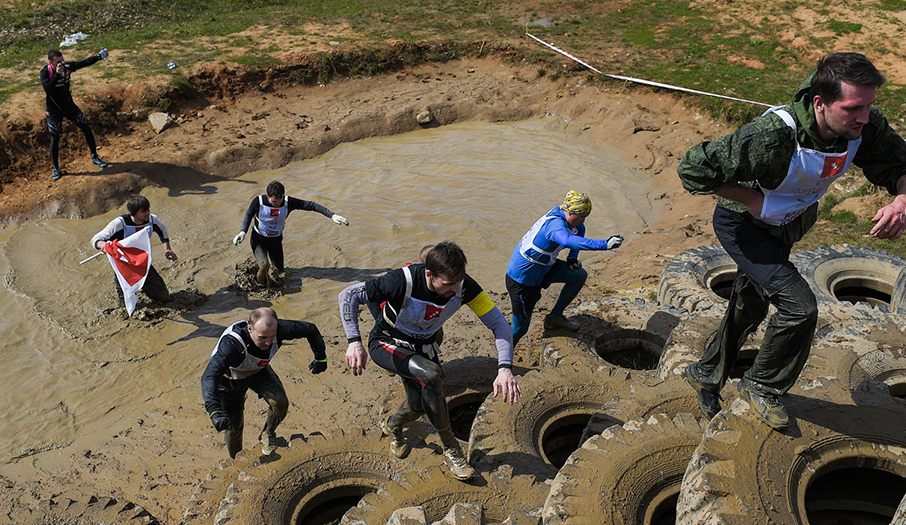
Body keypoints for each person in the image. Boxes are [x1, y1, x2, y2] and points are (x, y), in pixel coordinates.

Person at [677, 52, 906, 430]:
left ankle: (705, 373)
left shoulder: (866, 126)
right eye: (853, 108)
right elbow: (693, 167)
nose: (863, 117)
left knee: (750, 304)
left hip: (789, 226)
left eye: (869, 106)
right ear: (820, 103)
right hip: (743, 225)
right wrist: (752, 200)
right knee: (800, 307)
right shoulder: (772, 136)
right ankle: (761, 386)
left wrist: (902, 201)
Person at [339, 241, 521, 481]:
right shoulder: (401, 280)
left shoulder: (464, 287)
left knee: (416, 405)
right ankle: (452, 449)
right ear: (429, 274)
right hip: (387, 343)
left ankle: (393, 425)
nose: (455, 290)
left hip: (423, 347)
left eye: (458, 282)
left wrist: (505, 368)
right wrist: (354, 341)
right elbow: (349, 294)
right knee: (431, 374)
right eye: (448, 285)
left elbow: (498, 324)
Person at [201, 306, 328, 459]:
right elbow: (209, 376)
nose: (268, 343)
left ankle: (267, 433)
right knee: (233, 428)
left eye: (272, 337)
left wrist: (320, 358)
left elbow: (310, 329)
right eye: (262, 338)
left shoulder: (280, 330)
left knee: (280, 403)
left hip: (258, 371)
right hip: (229, 382)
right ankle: (236, 461)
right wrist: (214, 411)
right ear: (249, 329)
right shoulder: (232, 346)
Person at [505, 190, 623, 346]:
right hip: (523, 279)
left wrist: (573, 257)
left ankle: (555, 318)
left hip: (544, 267)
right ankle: (503, 359)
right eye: (582, 216)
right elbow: (566, 240)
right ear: (571, 212)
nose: (583, 221)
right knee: (520, 328)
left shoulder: (565, 216)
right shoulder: (555, 226)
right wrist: (604, 245)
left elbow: (580, 231)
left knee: (578, 275)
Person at [232, 180, 350, 287]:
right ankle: (261, 286)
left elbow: (312, 205)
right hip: (258, 240)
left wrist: (332, 215)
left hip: (275, 242)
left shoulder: (288, 202)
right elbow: (248, 214)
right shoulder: (258, 201)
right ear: (268, 196)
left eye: (279, 201)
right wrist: (243, 232)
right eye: (274, 202)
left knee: (279, 272)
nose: (277, 204)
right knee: (264, 265)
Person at [91, 194, 178, 309]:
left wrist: (167, 249)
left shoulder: (152, 220)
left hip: (142, 263)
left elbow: (162, 230)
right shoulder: (119, 224)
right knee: (126, 306)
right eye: (143, 211)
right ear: (134, 213)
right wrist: (104, 246)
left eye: (148, 209)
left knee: (164, 297)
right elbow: (95, 240)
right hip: (123, 266)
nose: (148, 213)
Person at [41, 48, 109, 181]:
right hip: (54, 110)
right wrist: (57, 75)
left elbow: (83, 63)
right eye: (58, 62)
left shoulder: (66, 67)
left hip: (69, 106)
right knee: (55, 138)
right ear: (51, 62)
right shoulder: (45, 72)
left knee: (86, 128)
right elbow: (47, 89)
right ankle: (56, 168)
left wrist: (99, 57)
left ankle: (94, 156)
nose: (61, 64)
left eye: (62, 60)